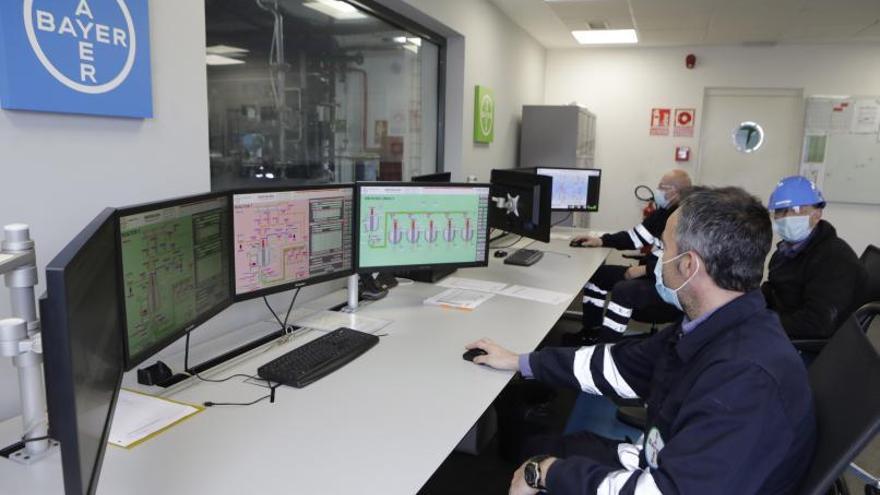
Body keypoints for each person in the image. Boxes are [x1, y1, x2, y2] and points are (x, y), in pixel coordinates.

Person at [467, 186, 816, 495]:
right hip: (667, 455)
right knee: (541, 445)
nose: (657, 259)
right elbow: (621, 365)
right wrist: (521, 362)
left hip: (672, 479)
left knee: (541, 464)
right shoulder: (712, 327)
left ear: (689, 265)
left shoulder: (744, 379)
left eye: (664, 248)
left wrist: (548, 474)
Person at [567, 169, 692, 344]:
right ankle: (591, 332)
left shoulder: (687, 220)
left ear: (675, 191)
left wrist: (642, 270)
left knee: (623, 291)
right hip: (650, 274)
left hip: (668, 285)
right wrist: (600, 241)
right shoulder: (661, 214)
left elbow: (681, 261)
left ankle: (605, 348)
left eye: (661, 187)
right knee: (598, 275)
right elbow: (634, 237)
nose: (657, 190)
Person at [762, 175, 867, 339]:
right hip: (784, 326)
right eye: (780, 211)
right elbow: (774, 290)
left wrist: (764, 324)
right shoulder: (785, 251)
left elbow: (818, 323)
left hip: (812, 346)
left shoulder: (834, 259)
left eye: (796, 210)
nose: (785, 217)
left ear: (817, 215)